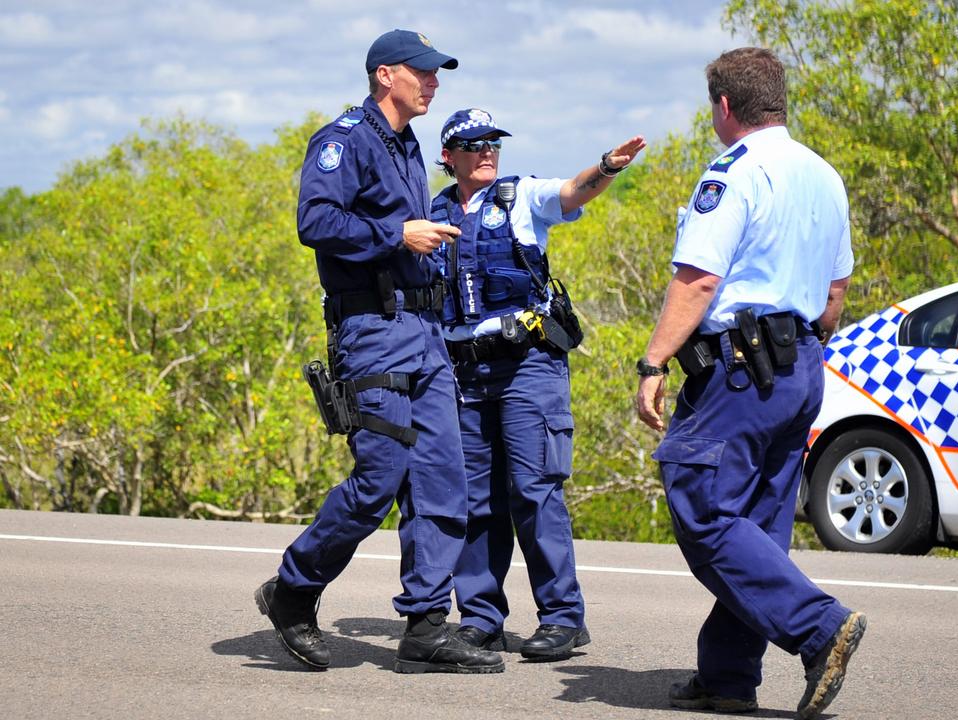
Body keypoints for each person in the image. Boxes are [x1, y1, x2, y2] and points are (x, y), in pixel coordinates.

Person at [254, 29, 504, 675]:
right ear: (385, 74)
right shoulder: (345, 139)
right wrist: (397, 232)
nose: (434, 82)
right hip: (372, 331)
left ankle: (426, 624)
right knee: (378, 480)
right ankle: (293, 590)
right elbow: (316, 222)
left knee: (445, 481)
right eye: (422, 72)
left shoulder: (406, 144)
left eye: (437, 73)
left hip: (424, 337)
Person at [634, 47, 865, 718]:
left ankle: (819, 628)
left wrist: (654, 362)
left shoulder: (733, 172)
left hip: (740, 370)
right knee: (759, 526)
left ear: (725, 107)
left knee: (699, 500)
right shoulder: (824, 175)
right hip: (800, 367)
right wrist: (799, 343)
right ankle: (729, 674)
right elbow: (835, 290)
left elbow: (700, 279)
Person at [429, 108, 645, 660]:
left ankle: (563, 618)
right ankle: (480, 618)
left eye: (493, 143)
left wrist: (606, 167)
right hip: (465, 370)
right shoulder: (430, 216)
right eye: (473, 144)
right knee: (476, 500)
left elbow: (573, 192)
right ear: (448, 156)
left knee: (534, 489)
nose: (487, 152)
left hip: (528, 364)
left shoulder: (520, 197)